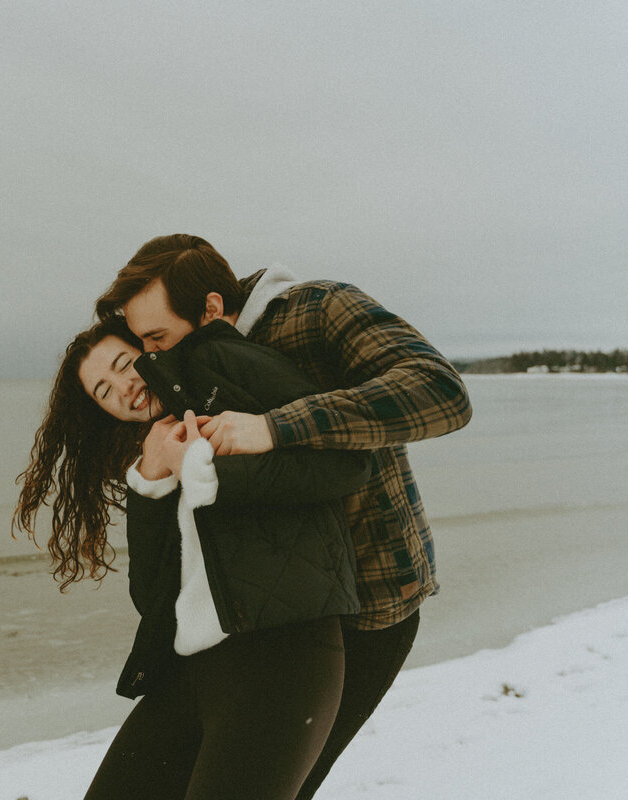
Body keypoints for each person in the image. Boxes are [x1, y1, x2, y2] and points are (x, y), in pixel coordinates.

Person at [94, 233, 473, 799]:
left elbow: (440, 392)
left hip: (369, 608)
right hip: (258, 619)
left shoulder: (316, 311)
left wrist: (276, 427)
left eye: (157, 337)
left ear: (212, 309)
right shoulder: (181, 365)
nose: (151, 356)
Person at [15, 315, 373, 798]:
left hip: (285, 661)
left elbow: (343, 467)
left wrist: (204, 472)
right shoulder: (154, 451)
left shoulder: (232, 407)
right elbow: (151, 597)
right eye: (103, 391)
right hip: (192, 672)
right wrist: (151, 479)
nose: (123, 388)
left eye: (125, 365)